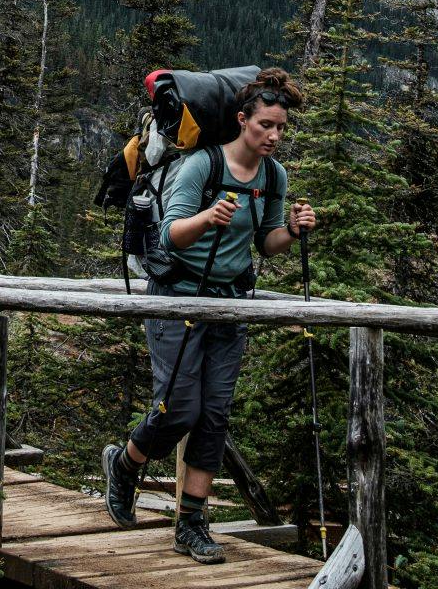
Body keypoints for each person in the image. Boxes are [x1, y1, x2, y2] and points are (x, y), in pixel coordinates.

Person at [102, 68, 317, 564]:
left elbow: (266, 244)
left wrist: (294, 230)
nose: (274, 136)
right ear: (242, 120)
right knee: (179, 408)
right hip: (176, 295)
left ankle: (191, 523)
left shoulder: (273, 177)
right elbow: (171, 234)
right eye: (266, 125)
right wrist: (209, 217)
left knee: (214, 414)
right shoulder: (201, 164)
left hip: (230, 302)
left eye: (281, 128)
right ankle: (127, 462)